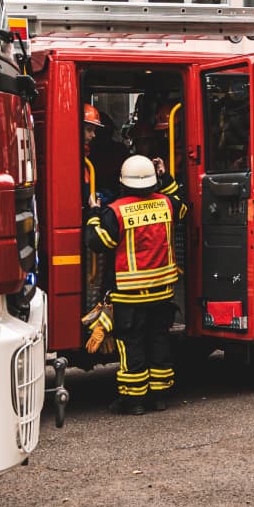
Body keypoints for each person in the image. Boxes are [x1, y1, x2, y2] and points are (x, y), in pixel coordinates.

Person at [88, 155, 187, 414]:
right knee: (159, 341)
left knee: (131, 344)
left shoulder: (116, 211)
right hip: (163, 292)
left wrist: (94, 213)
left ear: (123, 183)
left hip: (129, 296)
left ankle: (134, 401)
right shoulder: (166, 204)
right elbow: (183, 205)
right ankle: (160, 396)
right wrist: (166, 178)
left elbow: (98, 242)